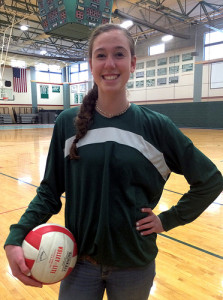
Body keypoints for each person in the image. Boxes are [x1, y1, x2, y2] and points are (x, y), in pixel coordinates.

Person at [4, 23, 223, 300]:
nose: (110, 63)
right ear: (90, 64)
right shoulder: (67, 124)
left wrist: (168, 219)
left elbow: (210, 180)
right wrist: (16, 236)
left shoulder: (157, 127)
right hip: (77, 264)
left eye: (119, 54)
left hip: (134, 265)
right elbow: (49, 192)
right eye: (101, 55)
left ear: (132, 63)